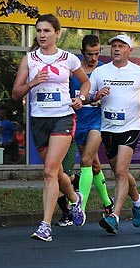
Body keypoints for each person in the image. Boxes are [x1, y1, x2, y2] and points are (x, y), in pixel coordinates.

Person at [12, 13, 90, 242]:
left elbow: (85, 82)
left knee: (48, 171)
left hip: (63, 117)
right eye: (39, 31)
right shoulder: (29, 59)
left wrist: (81, 99)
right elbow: (16, 93)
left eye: (46, 30)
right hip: (38, 120)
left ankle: (45, 226)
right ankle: (76, 200)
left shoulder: (69, 58)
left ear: (57, 33)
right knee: (57, 172)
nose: (42, 35)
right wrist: (32, 83)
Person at [90, 34, 140, 235]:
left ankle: (115, 216)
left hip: (130, 127)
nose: (116, 49)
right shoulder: (100, 72)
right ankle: (138, 200)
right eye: (114, 46)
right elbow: (89, 96)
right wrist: (96, 96)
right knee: (117, 171)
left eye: (121, 46)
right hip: (108, 127)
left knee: (120, 170)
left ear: (130, 50)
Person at [57, 34, 113, 227]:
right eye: (90, 54)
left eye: (97, 53)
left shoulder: (105, 70)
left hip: (97, 122)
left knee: (86, 161)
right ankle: (107, 203)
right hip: (77, 123)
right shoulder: (75, 72)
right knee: (95, 167)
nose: (94, 58)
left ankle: (79, 207)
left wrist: (102, 98)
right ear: (82, 52)